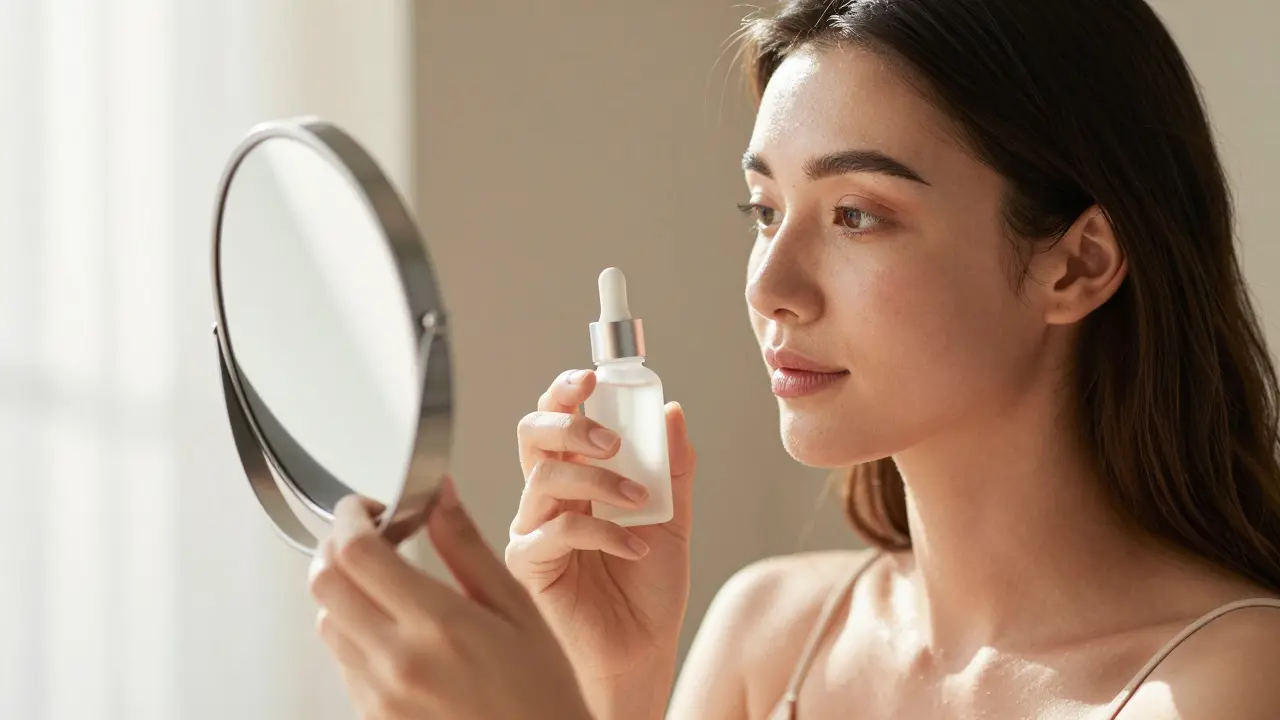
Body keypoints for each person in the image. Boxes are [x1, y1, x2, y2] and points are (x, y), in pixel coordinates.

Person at [304, 0, 1280, 717]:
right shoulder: (765, 637)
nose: (771, 286)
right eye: (764, 211)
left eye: (856, 215)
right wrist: (612, 679)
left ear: (1077, 263)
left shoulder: (1228, 679)